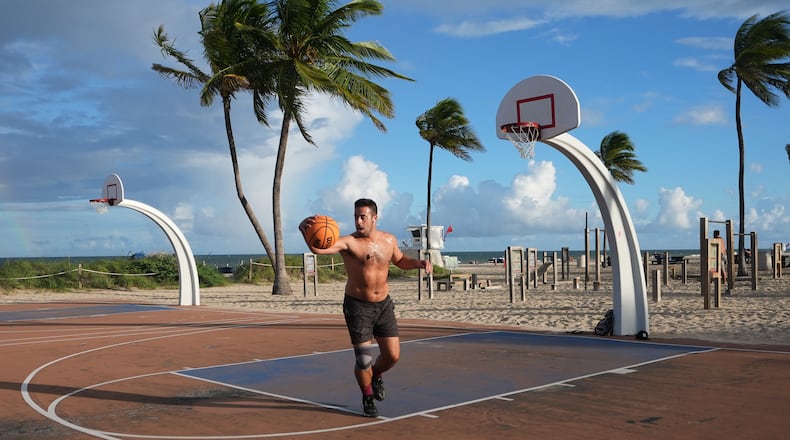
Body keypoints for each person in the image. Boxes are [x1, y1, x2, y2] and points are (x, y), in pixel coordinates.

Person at [298, 198, 432, 417]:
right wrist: (304, 231)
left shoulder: (389, 240)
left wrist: (418, 263)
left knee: (392, 356)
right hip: (358, 307)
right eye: (356, 217)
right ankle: (367, 396)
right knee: (363, 360)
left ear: (374, 218)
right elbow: (319, 249)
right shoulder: (349, 242)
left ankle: (376, 375)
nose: (358, 222)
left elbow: (399, 261)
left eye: (363, 217)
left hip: (384, 305)